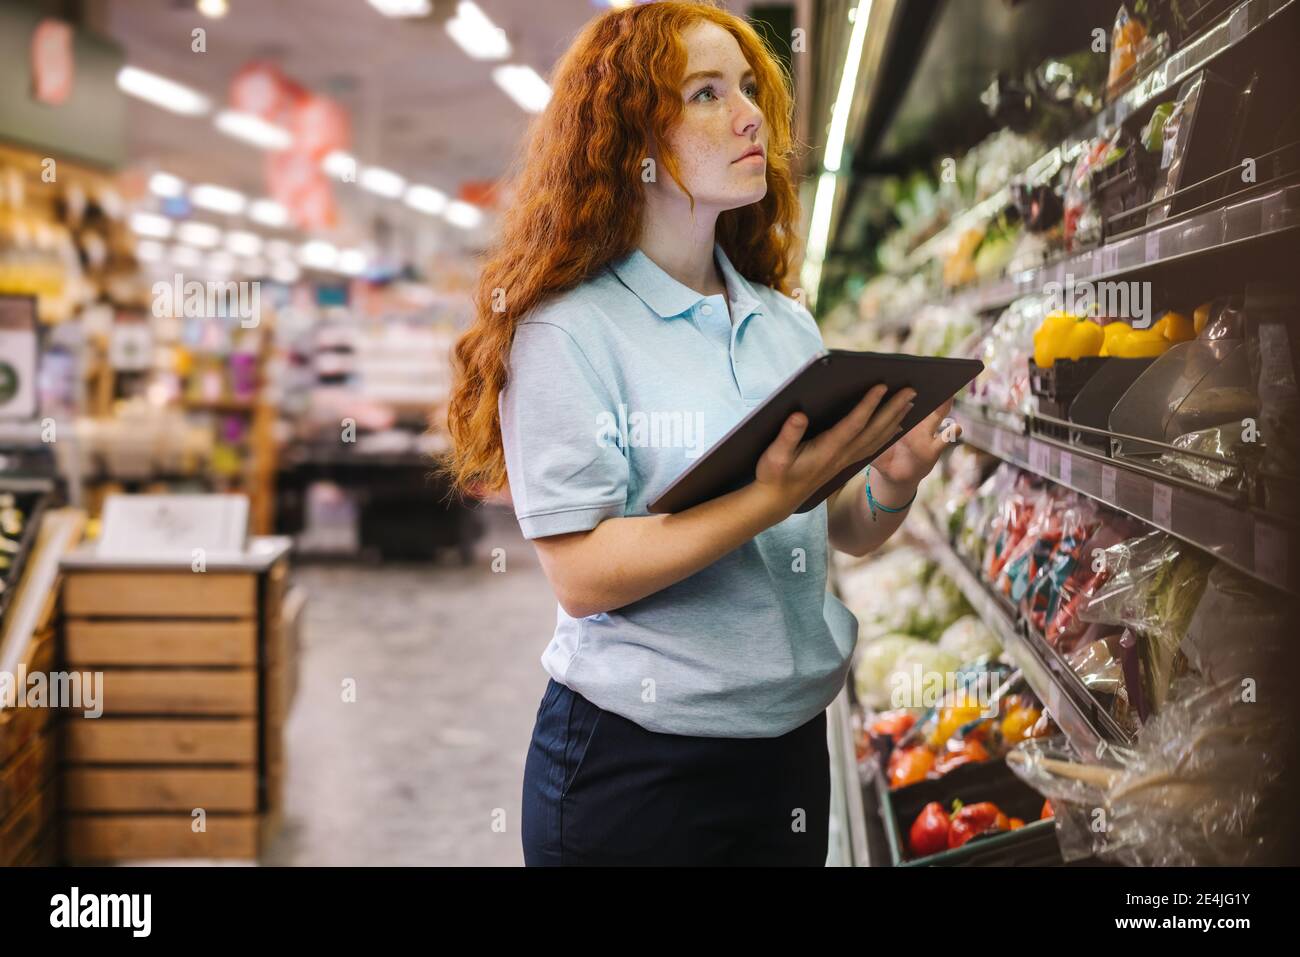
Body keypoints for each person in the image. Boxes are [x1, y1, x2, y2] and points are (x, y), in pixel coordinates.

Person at [443, 0, 955, 866]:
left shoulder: (784, 324)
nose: (751, 114)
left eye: (749, 88)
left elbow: (838, 528)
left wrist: (891, 476)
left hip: (788, 751)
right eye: (707, 94)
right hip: (639, 768)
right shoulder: (569, 332)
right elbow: (583, 573)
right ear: (633, 137)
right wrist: (769, 498)